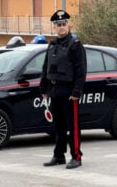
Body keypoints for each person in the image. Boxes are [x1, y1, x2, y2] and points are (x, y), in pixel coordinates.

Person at [39, 10, 87, 169]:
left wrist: (76, 92)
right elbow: (46, 67)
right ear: (54, 27)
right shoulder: (52, 45)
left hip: (69, 92)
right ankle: (59, 155)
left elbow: (81, 70)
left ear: (68, 25)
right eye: (58, 25)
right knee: (58, 127)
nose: (61, 27)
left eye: (64, 24)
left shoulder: (75, 44)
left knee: (73, 127)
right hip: (55, 90)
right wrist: (44, 88)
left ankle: (76, 157)